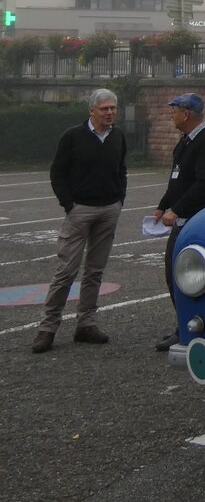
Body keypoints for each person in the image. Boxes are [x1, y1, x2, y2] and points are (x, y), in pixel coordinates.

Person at [32, 89, 127, 353]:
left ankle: (86, 323)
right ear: (91, 110)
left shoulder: (118, 136)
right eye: (104, 109)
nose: (109, 113)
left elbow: (121, 169)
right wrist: (70, 205)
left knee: (94, 272)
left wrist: (120, 200)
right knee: (66, 272)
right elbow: (57, 172)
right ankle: (48, 328)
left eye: (113, 109)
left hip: (109, 209)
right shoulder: (72, 137)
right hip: (80, 211)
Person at [152, 93, 205, 351]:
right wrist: (163, 206)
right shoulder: (185, 142)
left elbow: (203, 184)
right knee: (174, 275)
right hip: (183, 218)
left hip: (201, 220)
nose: (171, 115)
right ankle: (186, 325)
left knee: (193, 277)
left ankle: (193, 327)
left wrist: (177, 209)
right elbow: (177, 180)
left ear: (187, 114)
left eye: (174, 110)